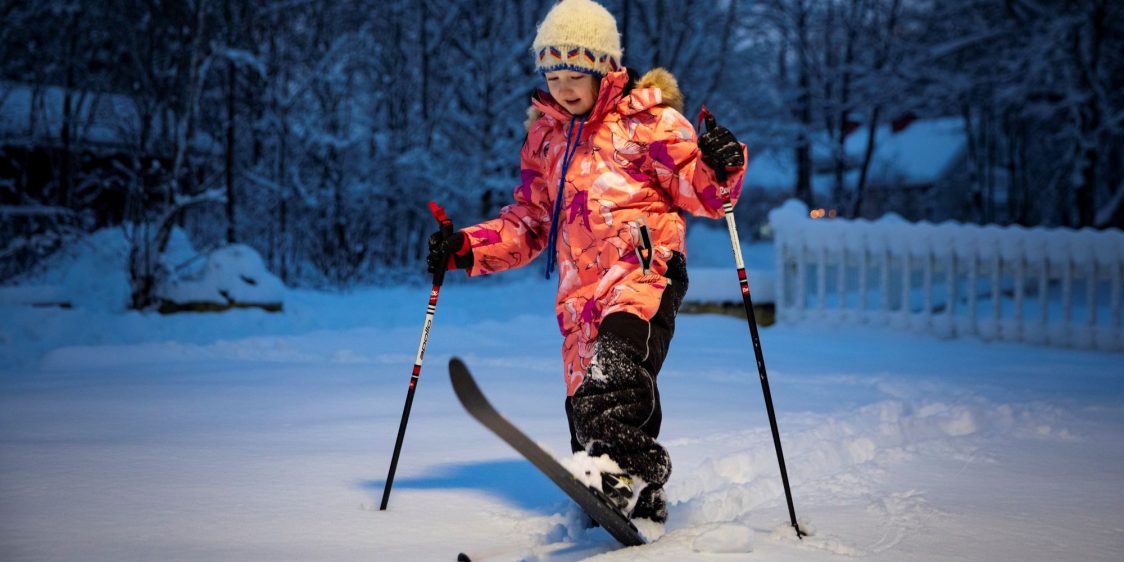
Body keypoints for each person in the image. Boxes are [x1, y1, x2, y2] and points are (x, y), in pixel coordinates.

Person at [426, 0, 746, 526]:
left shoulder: (650, 122)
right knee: (587, 409)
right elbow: (528, 220)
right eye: (554, 75)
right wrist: (467, 247)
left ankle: (625, 468)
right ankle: (633, 502)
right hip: (580, 295)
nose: (565, 88)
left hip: (644, 273)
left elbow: (704, 193)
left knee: (614, 376)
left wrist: (722, 162)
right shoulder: (545, 139)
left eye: (577, 74)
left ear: (605, 70)